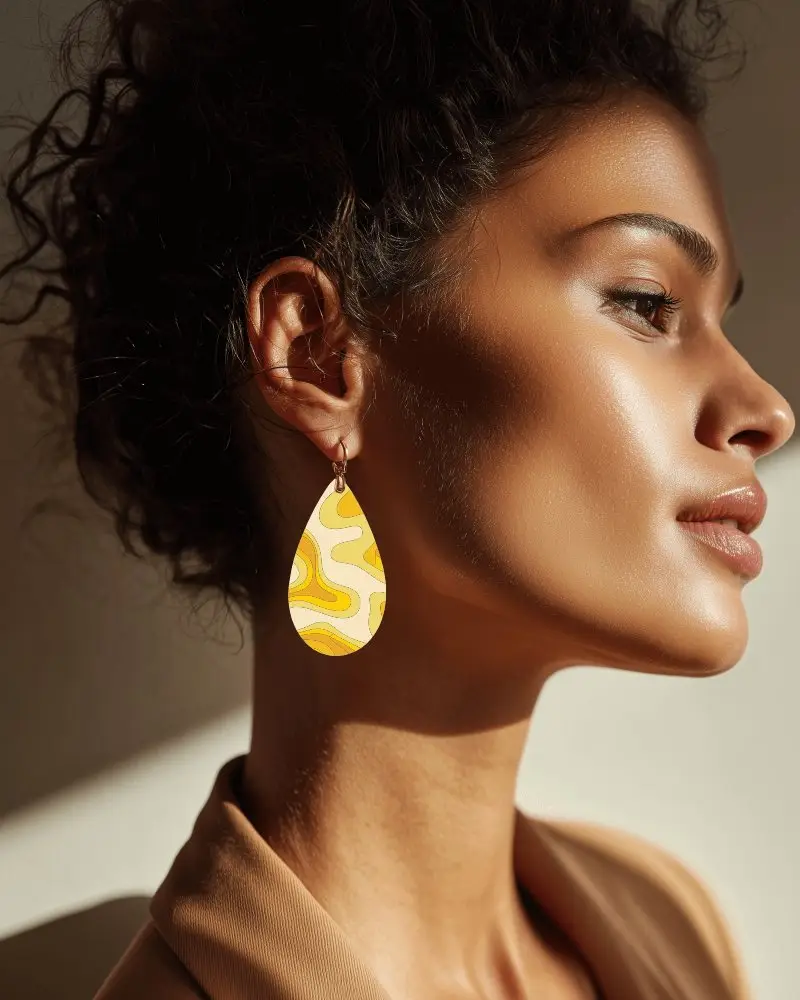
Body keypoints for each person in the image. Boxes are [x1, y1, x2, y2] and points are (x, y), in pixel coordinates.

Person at [1, 0, 794, 997]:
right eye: (646, 302)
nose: (764, 408)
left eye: (721, 319)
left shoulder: (668, 916)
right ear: (318, 355)